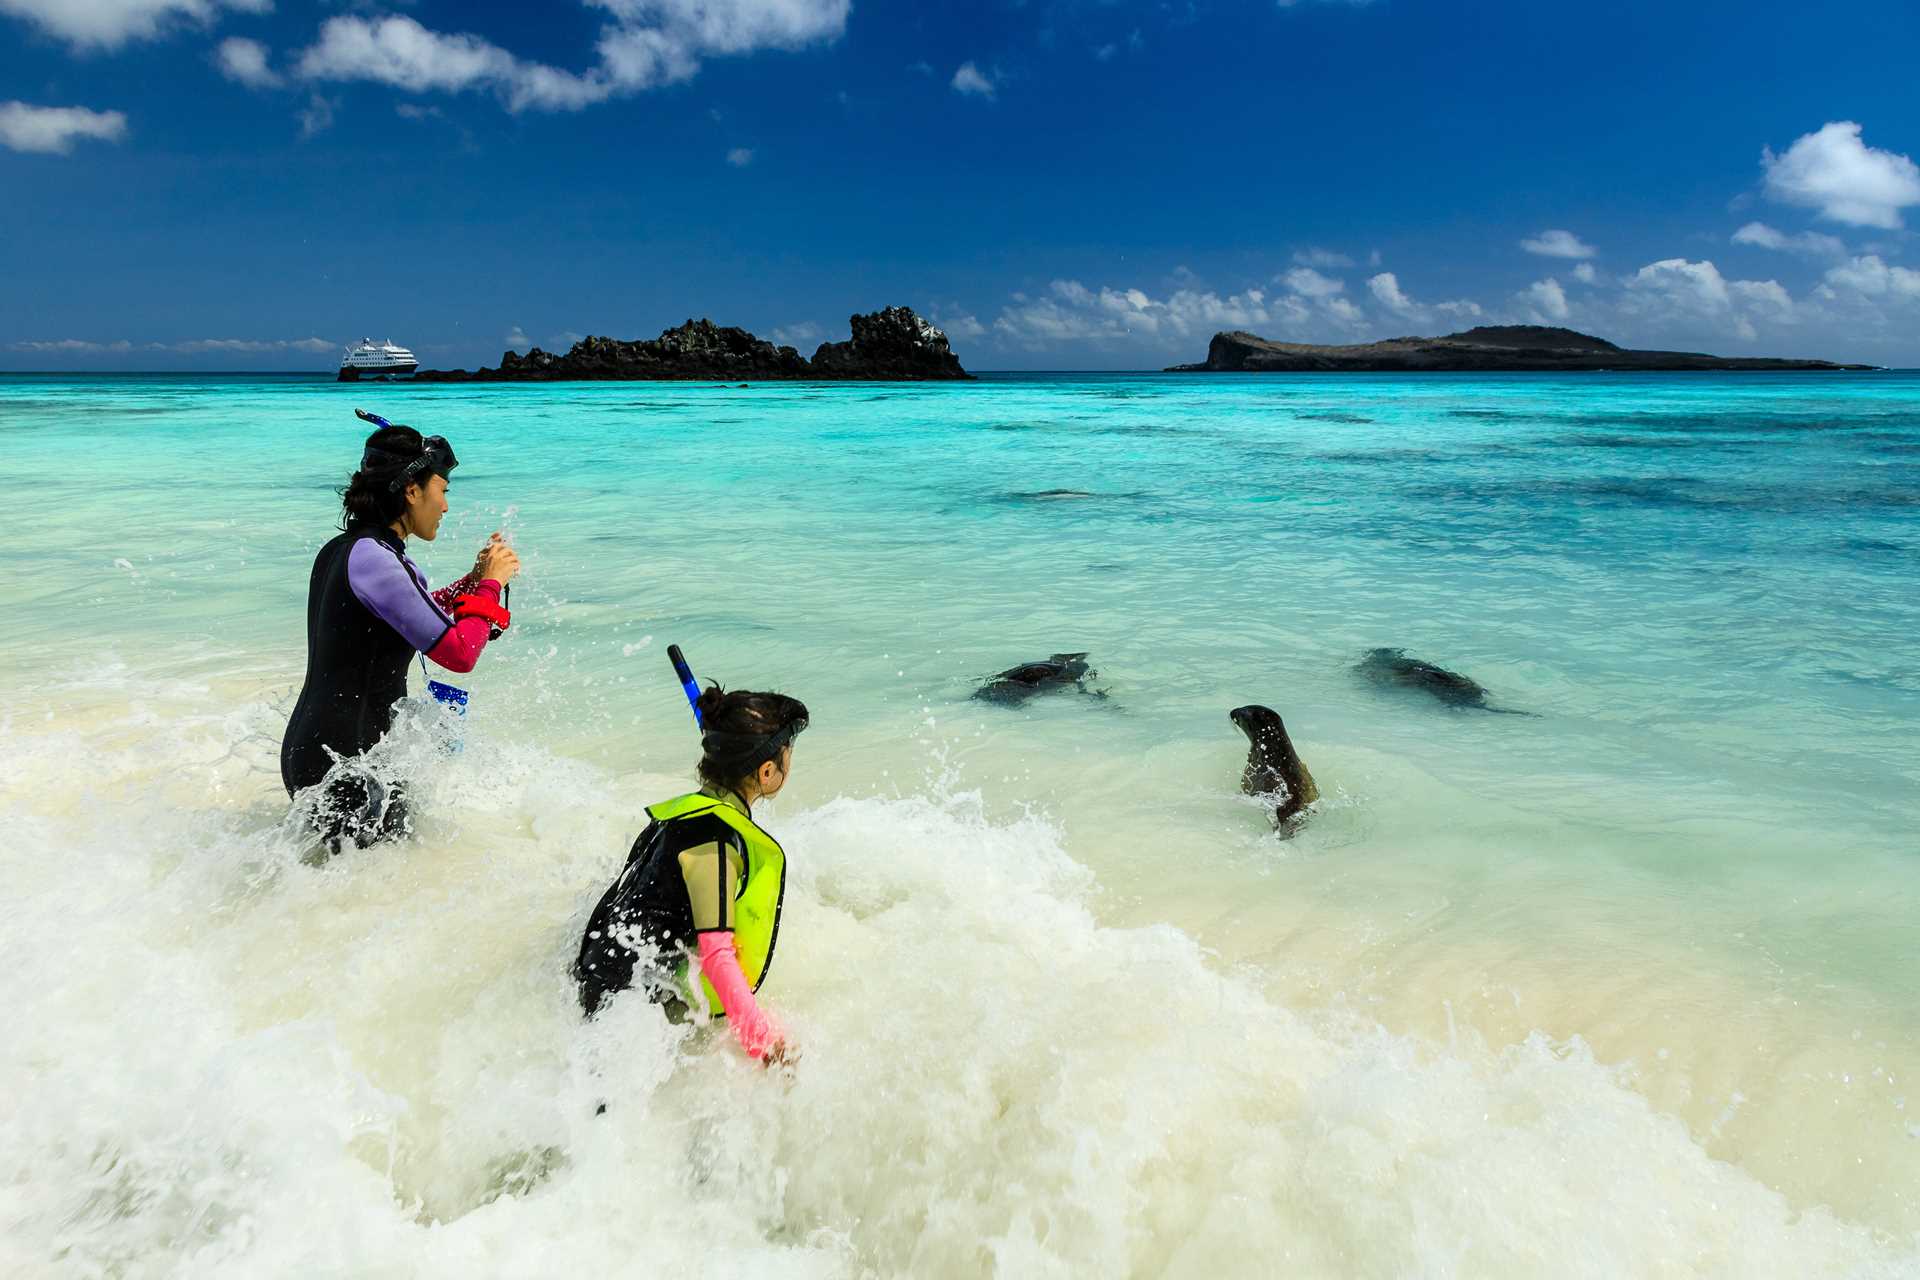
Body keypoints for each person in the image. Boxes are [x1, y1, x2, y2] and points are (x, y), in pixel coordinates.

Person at [280, 415, 520, 851]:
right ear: (412, 491)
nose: (445, 506)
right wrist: (490, 587)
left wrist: (474, 580)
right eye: (442, 490)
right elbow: (460, 653)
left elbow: (407, 615)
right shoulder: (376, 559)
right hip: (346, 763)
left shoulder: (347, 550)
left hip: (327, 753)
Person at [574, 684, 809, 1065]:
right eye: (788, 756)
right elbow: (716, 955)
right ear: (767, 771)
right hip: (619, 1014)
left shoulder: (685, 815)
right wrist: (764, 1042)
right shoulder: (713, 843)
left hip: (597, 972)